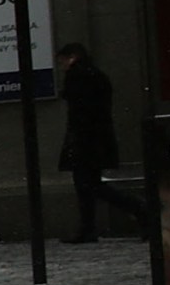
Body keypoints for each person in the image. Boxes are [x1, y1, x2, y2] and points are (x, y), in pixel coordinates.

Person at [55, 42, 143, 243]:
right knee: (90, 185)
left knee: (88, 185)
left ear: (72, 57)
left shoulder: (78, 77)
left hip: (85, 140)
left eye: (63, 62)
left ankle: (138, 209)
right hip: (96, 139)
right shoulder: (95, 75)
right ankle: (91, 226)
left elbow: (80, 113)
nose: (62, 67)